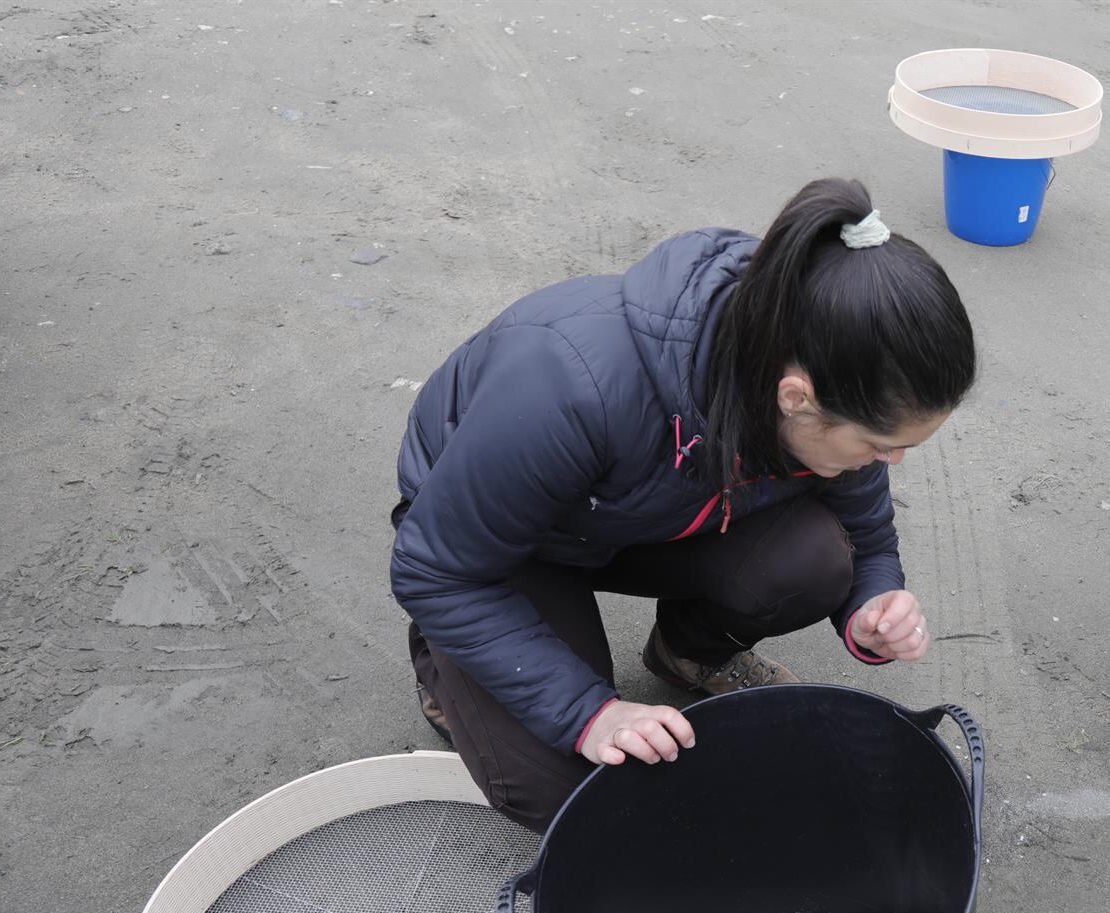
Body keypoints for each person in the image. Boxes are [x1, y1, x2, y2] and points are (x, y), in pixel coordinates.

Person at [391, 178, 976, 830]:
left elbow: (864, 531)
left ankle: (687, 650)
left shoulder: (830, 360)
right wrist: (590, 713)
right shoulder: (568, 385)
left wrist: (874, 601)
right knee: (571, 786)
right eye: (880, 443)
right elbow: (436, 569)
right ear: (796, 398)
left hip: (638, 517)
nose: (891, 462)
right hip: (505, 545)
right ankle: (441, 668)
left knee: (818, 559)